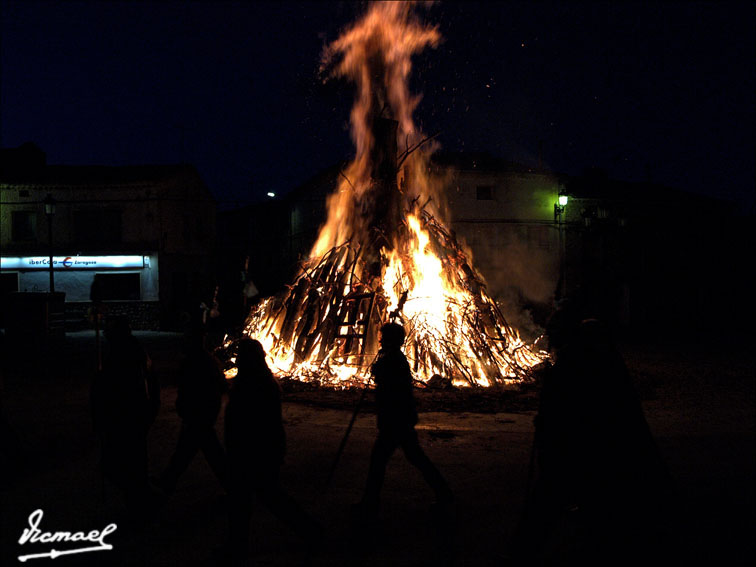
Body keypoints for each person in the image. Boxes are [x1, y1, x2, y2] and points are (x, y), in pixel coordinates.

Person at [511, 309, 674, 564]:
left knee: (551, 502)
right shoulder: (593, 359)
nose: (549, 337)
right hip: (587, 448)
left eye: (553, 331)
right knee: (580, 502)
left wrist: (547, 428)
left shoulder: (575, 364)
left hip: (578, 450)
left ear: (566, 333)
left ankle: (523, 555)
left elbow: (568, 412)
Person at [224, 339, 321, 565]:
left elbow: (255, 424)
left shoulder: (255, 385)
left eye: (241, 355)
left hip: (253, 453)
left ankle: (310, 531)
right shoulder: (259, 381)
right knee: (261, 499)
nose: (237, 358)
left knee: (258, 499)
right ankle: (310, 530)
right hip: (256, 452)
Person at [355, 322, 453, 519]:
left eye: (383, 337)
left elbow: (392, 389)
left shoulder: (394, 360)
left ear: (391, 339)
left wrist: (378, 370)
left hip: (396, 420)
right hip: (400, 419)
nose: (380, 340)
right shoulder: (393, 358)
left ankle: (369, 504)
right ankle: (445, 494)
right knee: (413, 458)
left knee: (380, 461)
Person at [91, 316, 159, 522]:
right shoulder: (129, 352)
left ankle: (141, 506)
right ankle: (141, 501)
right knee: (129, 463)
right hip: (132, 415)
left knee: (126, 463)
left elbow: (114, 389)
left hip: (128, 415)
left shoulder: (126, 356)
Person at [159, 326, 228, 496]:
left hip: (199, 413)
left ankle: (168, 481)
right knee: (198, 449)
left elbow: (209, 387)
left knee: (195, 450)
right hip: (200, 413)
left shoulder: (198, 362)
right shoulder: (206, 360)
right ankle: (168, 479)